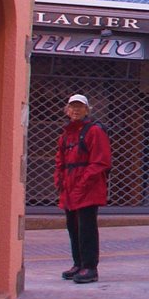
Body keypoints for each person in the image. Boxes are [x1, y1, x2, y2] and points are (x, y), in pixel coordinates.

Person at [54, 94, 112, 284]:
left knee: (86, 227)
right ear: (67, 110)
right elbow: (60, 161)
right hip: (71, 189)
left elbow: (101, 162)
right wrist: (60, 182)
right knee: (73, 226)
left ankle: (90, 267)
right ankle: (78, 264)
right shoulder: (66, 135)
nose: (76, 110)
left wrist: (82, 183)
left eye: (80, 107)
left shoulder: (94, 131)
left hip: (88, 188)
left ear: (87, 110)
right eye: (72, 107)